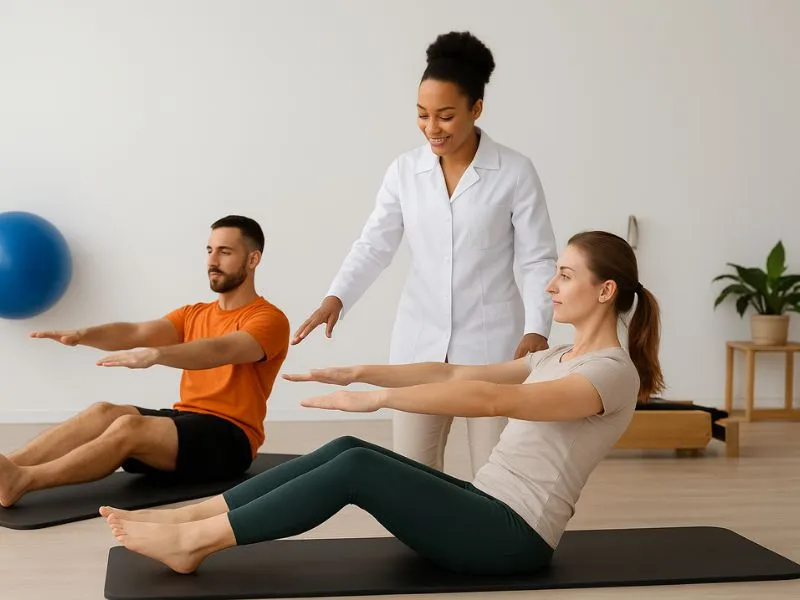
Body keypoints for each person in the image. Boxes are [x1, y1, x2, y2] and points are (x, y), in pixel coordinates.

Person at [100, 230, 663, 577]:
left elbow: (494, 399)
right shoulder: (556, 357)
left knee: (357, 467)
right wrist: (362, 369)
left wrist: (380, 399)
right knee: (347, 447)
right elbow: (456, 370)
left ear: (605, 290)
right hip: (485, 503)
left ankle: (195, 544)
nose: (551, 287)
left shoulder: (611, 373)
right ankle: (191, 515)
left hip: (513, 535)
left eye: (565, 276)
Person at [291, 31, 558, 475]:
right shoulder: (404, 171)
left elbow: (536, 259)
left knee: (496, 473)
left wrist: (536, 328)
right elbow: (375, 243)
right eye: (422, 115)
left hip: (495, 348)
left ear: (476, 109)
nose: (432, 128)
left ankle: (488, 545)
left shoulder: (514, 171)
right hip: (419, 342)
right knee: (411, 472)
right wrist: (336, 297)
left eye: (446, 116)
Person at [0, 215, 290, 508]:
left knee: (129, 426)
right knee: (103, 412)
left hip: (230, 440)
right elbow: (136, 331)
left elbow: (220, 350)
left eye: (225, 252)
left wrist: (157, 355)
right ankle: (8, 466)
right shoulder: (194, 313)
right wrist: (82, 334)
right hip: (187, 419)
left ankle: (22, 481)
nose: (212, 260)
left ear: (253, 259)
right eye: (209, 250)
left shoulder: (268, 319)